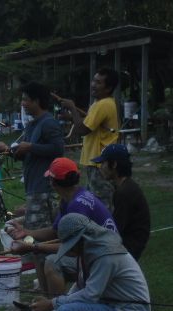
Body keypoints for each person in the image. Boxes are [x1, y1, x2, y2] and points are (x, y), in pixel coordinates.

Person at [30, 213, 150, 311]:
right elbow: (81, 286)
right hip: (115, 308)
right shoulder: (91, 250)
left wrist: (53, 303)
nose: (70, 250)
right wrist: (58, 302)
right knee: (65, 309)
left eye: (71, 245)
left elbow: (90, 295)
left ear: (82, 238)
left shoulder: (105, 255)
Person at [7, 157, 117, 296]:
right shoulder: (72, 197)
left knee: (51, 262)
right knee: (39, 254)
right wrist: (26, 232)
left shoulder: (77, 204)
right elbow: (55, 231)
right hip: (96, 253)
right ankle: (46, 300)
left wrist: (32, 246)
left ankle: (54, 307)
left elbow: (71, 249)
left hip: (102, 259)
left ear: (53, 182)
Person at [0, 82, 64, 289]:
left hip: (44, 190)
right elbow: (23, 154)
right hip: (33, 189)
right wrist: (8, 151)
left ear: (37, 101)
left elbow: (58, 149)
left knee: (35, 242)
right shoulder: (33, 124)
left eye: (26, 99)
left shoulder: (49, 123)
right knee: (32, 242)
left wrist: (31, 146)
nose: (23, 103)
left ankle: (47, 292)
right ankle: (44, 287)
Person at [59, 68, 120, 210]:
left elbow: (82, 130)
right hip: (95, 162)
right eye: (93, 80)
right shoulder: (99, 103)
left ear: (109, 87)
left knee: (102, 205)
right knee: (94, 202)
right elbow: (87, 123)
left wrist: (72, 108)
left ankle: (108, 230)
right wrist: (71, 117)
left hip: (100, 164)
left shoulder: (103, 104)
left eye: (98, 82)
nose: (93, 85)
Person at [92, 144, 150, 260]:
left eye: (103, 163)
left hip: (128, 249)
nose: (100, 167)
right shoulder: (125, 186)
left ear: (114, 164)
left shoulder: (124, 192)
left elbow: (115, 229)